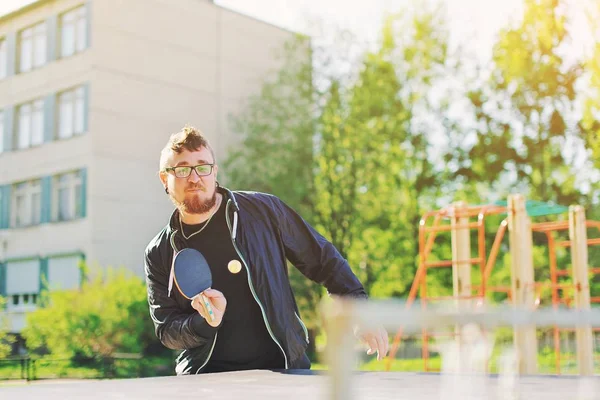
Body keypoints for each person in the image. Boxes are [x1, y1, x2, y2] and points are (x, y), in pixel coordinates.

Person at [144, 126, 389, 375]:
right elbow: (167, 330)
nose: (195, 178)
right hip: (206, 377)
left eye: (203, 167)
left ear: (214, 171)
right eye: (182, 169)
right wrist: (204, 322)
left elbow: (322, 259)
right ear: (165, 179)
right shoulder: (159, 252)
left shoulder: (265, 211)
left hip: (283, 369)